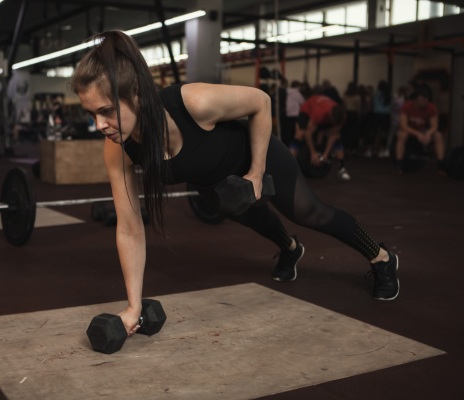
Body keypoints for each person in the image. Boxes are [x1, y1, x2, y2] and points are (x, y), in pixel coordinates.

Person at [70, 31, 399, 336]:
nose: (99, 124)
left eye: (107, 111)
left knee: (310, 212)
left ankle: (381, 257)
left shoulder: (194, 102)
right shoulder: (119, 150)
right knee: (253, 217)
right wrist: (133, 306)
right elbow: (129, 228)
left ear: (137, 94)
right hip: (214, 184)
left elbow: (261, 102)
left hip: (257, 153)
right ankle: (290, 249)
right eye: (91, 114)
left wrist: (255, 173)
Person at [289, 94, 351, 181]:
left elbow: (333, 134)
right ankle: (289, 168)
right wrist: (313, 152)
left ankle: (342, 168)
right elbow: (308, 133)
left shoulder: (342, 116)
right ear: (330, 115)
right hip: (306, 110)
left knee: (337, 137)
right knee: (300, 134)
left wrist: (325, 154)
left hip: (324, 114)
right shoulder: (319, 113)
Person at [394, 86, 446, 175]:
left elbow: (434, 125)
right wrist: (417, 134)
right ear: (415, 100)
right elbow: (403, 125)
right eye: (422, 100)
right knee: (402, 135)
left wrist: (428, 134)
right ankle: (399, 165)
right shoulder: (406, 106)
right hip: (409, 130)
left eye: (426, 100)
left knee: (438, 135)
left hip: (422, 131)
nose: (425, 102)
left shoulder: (431, 107)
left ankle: (440, 166)